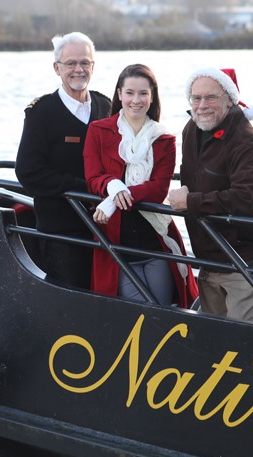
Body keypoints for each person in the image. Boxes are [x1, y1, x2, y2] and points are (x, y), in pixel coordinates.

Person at [168, 67, 253, 324]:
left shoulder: (247, 142)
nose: (202, 105)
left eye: (211, 97)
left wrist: (190, 202)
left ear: (230, 99)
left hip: (246, 255)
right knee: (214, 335)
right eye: (196, 98)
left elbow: (245, 200)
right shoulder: (191, 130)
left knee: (243, 338)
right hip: (210, 253)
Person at [83, 64, 198, 308]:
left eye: (143, 93)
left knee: (165, 311)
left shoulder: (164, 139)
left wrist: (116, 197)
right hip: (115, 243)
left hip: (154, 241)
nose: (136, 100)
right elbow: (93, 177)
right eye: (130, 93)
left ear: (152, 97)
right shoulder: (98, 131)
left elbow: (158, 190)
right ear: (119, 94)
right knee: (138, 309)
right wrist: (111, 184)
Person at [15, 32, 111, 289]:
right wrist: (85, 188)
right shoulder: (41, 113)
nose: (78, 69)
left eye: (85, 63)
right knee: (72, 297)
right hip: (62, 231)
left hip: (107, 227)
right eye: (70, 64)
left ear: (94, 66)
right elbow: (28, 172)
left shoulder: (106, 106)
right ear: (57, 68)